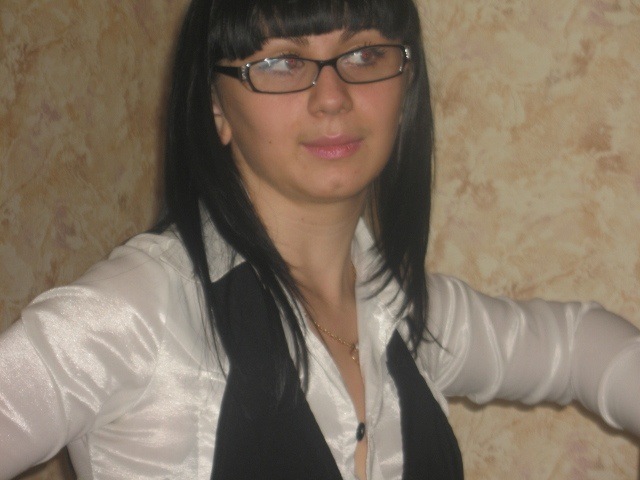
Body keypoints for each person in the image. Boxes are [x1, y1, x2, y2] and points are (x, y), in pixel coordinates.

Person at [1, 0, 639, 478]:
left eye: (364, 55)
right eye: (281, 61)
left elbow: (579, 346)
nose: (332, 97)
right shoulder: (142, 312)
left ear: (405, 86)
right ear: (218, 108)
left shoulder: (410, 314)